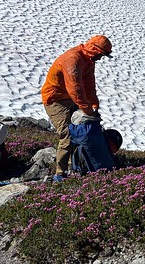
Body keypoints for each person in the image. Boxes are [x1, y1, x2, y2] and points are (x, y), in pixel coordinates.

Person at [41, 35, 112, 181]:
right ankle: (60, 173)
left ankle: (75, 166)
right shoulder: (72, 59)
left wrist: (95, 105)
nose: (100, 58)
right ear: (94, 49)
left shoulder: (88, 60)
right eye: (100, 55)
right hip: (54, 100)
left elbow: (89, 85)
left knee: (80, 130)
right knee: (67, 134)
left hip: (69, 98)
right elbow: (75, 89)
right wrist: (87, 111)